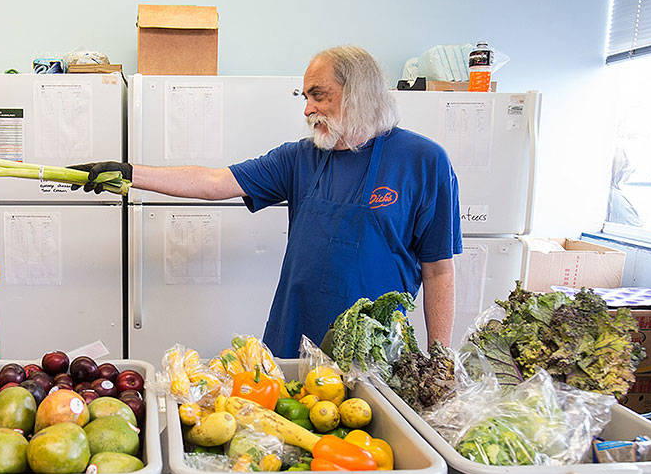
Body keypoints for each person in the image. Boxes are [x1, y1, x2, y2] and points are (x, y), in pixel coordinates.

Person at [75, 46, 461, 357]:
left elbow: (439, 271)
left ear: (358, 92)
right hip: (293, 339)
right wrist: (128, 173)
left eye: (319, 96)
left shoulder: (424, 161)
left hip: (377, 353)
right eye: (306, 97)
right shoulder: (300, 158)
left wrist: (439, 360)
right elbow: (215, 181)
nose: (307, 109)